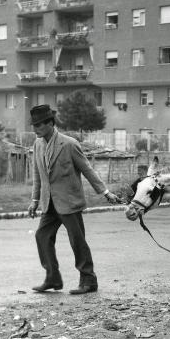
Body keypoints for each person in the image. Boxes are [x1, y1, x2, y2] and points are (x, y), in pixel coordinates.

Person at [28, 105, 119, 294]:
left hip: (69, 202)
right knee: (42, 236)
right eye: (33, 125)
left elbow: (87, 170)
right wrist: (34, 200)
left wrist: (105, 192)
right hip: (49, 202)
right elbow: (38, 175)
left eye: (39, 125)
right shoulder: (37, 145)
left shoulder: (69, 144)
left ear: (50, 123)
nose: (35, 129)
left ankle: (88, 281)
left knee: (77, 240)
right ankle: (52, 278)